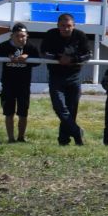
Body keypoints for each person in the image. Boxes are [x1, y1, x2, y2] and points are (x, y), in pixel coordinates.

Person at [38, 11, 91, 145]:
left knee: (71, 110)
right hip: (56, 76)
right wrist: (58, 58)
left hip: (74, 76)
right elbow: (43, 52)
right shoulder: (51, 34)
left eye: (68, 26)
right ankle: (77, 131)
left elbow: (88, 55)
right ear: (58, 26)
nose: (65, 28)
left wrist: (72, 59)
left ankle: (64, 140)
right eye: (62, 26)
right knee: (59, 108)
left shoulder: (80, 35)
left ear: (74, 26)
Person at [0, 22, 35, 142]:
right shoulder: (4, 46)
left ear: (27, 36)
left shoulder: (30, 47)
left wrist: (28, 57)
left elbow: (39, 61)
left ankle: (21, 137)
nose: (21, 38)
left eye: (23, 36)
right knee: (9, 113)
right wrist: (7, 55)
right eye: (17, 36)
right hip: (8, 84)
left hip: (24, 85)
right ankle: (11, 138)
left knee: (23, 113)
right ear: (12, 36)